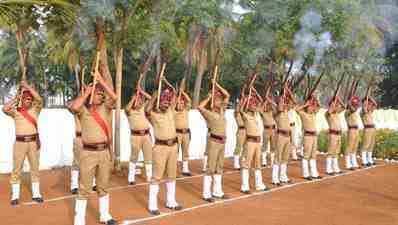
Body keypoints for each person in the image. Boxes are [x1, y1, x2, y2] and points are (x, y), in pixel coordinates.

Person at [69, 73, 117, 225]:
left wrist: (101, 81)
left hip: (103, 152)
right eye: (98, 93)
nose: (101, 96)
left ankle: (105, 215)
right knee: (84, 188)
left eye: (102, 94)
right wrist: (86, 93)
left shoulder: (106, 108)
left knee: (103, 186)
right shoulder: (83, 109)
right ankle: (79, 220)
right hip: (88, 153)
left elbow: (115, 98)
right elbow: (74, 106)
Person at [2, 81, 44, 205]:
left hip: (32, 142)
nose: (29, 101)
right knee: (17, 169)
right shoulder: (16, 111)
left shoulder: (35, 109)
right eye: (26, 99)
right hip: (19, 143)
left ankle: (36, 194)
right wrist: (16, 98)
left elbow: (39, 99)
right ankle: (15, 196)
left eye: (30, 99)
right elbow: (5, 108)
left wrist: (27, 87)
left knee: (35, 168)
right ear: (22, 99)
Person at [145, 79, 182, 215]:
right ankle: (152, 205)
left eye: (168, 101)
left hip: (173, 146)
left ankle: (171, 201)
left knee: (172, 175)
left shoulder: (171, 111)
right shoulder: (153, 114)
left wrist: (167, 82)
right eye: (164, 101)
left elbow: (175, 95)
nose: (166, 103)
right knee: (157, 177)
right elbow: (147, 110)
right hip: (160, 148)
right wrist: (154, 96)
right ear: (158, 102)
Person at [198, 83, 230, 202]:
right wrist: (208, 97)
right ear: (213, 102)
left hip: (222, 143)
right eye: (217, 100)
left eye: (220, 100)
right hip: (214, 142)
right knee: (210, 168)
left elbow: (227, 95)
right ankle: (206, 194)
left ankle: (217, 192)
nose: (220, 102)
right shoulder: (208, 113)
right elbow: (200, 107)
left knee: (219, 167)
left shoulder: (222, 111)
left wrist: (216, 85)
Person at [239, 91, 268, 193]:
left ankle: (259, 185)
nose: (254, 106)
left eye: (255, 104)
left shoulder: (257, 115)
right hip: (250, 142)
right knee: (246, 164)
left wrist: (255, 92)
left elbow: (261, 102)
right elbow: (240, 109)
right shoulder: (245, 115)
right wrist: (246, 99)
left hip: (258, 142)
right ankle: (245, 187)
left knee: (258, 164)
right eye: (252, 104)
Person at [125, 86, 153, 184]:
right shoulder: (129, 111)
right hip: (135, 136)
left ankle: (150, 177)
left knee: (148, 156)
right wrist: (134, 98)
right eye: (137, 99)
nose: (139, 101)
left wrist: (141, 92)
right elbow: (127, 108)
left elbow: (151, 98)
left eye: (140, 99)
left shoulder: (143, 108)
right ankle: (131, 178)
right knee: (134, 157)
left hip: (146, 135)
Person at [296, 97, 322, 180]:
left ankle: (314, 173)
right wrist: (305, 104)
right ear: (307, 107)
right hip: (307, 136)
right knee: (306, 155)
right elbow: (297, 109)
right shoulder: (303, 114)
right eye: (310, 106)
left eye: (312, 106)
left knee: (313, 155)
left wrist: (315, 100)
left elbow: (319, 107)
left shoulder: (313, 114)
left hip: (314, 136)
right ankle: (306, 174)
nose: (312, 108)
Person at [175, 88, 193, 176]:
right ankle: (172, 169)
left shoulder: (186, 110)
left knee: (185, 152)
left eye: (182, 103)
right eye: (179, 103)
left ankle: (185, 169)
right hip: (177, 133)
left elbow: (189, 100)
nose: (181, 105)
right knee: (175, 152)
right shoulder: (173, 112)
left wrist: (182, 92)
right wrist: (176, 98)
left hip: (186, 133)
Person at [325, 96, 345, 175]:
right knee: (330, 152)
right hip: (333, 134)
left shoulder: (337, 112)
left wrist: (339, 99)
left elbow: (344, 107)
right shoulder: (328, 113)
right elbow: (330, 111)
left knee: (336, 152)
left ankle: (335, 168)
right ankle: (328, 169)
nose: (337, 106)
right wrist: (333, 104)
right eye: (334, 105)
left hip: (338, 134)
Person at [344, 96, 361, 170]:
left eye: (356, 103)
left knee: (355, 147)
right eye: (354, 103)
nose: (356, 105)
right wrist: (349, 101)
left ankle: (354, 163)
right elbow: (353, 109)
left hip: (356, 130)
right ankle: (348, 164)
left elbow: (355, 108)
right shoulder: (348, 111)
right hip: (351, 130)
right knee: (349, 147)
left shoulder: (354, 110)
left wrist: (353, 102)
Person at [361, 96, 377, 166]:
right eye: (368, 103)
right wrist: (365, 102)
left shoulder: (370, 111)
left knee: (371, 145)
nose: (370, 104)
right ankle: (364, 160)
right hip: (367, 128)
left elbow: (375, 104)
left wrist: (370, 97)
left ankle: (369, 159)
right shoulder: (362, 111)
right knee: (366, 145)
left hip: (372, 128)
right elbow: (364, 109)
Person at [260, 97, 277, 166]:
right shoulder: (263, 113)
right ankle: (264, 161)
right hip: (266, 130)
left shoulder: (273, 113)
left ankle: (272, 161)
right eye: (267, 106)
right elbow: (261, 109)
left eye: (268, 106)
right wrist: (265, 102)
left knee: (273, 146)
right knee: (264, 145)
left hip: (273, 130)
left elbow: (276, 108)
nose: (268, 107)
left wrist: (271, 102)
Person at [233, 100, 245, 170]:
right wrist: (241, 102)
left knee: (245, 148)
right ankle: (236, 164)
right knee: (238, 147)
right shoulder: (236, 113)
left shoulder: (244, 113)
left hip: (246, 130)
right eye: (237, 104)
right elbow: (237, 110)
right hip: (240, 131)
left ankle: (243, 162)